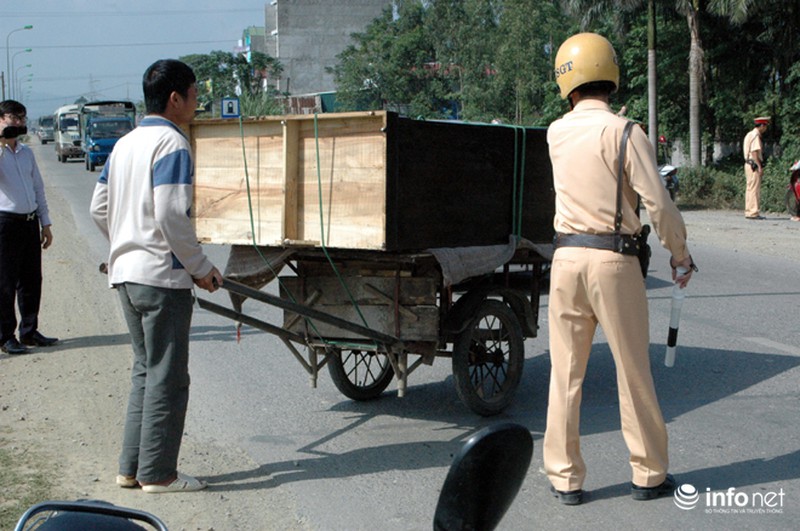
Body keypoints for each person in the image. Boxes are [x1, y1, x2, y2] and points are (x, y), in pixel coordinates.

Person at [544, 33, 696, 506]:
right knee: (632, 371)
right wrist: (680, 253)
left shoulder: (555, 132)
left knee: (565, 373)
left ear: (566, 82)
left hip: (566, 260)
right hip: (613, 260)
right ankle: (648, 473)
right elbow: (658, 203)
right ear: (610, 76)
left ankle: (565, 477)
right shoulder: (627, 132)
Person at [90, 59, 223, 493]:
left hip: (126, 275)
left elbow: (98, 208)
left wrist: (126, 243)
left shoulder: (124, 144)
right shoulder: (172, 144)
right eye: (195, 93)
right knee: (168, 376)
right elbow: (170, 212)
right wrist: (200, 268)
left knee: (145, 372)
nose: (197, 101)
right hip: (161, 280)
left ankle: (130, 468)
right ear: (175, 99)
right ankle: (158, 473)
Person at [0, 100, 58, 355]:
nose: (18, 122)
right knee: (5, 282)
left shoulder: (26, 152)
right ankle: (5, 336)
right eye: (13, 117)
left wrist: (45, 222)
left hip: (29, 222)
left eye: (22, 117)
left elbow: (38, 188)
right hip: (5, 223)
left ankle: (29, 331)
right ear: (1, 119)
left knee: (32, 280)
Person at [743, 116, 770, 220]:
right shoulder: (755, 136)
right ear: (762, 126)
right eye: (765, 126)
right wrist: (759, 166)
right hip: (753, 165)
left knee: (749, 188)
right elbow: (754, 152)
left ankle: (749, 211)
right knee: (754, 189)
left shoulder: (749, 134)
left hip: (748, 164)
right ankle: (753, 212)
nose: (765, 129)